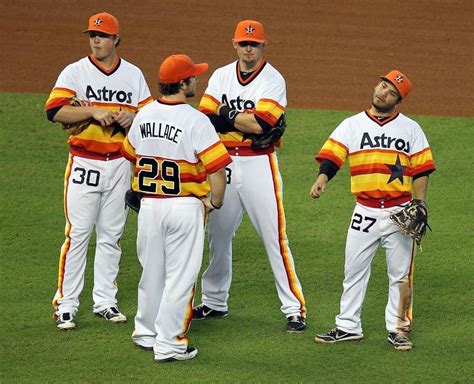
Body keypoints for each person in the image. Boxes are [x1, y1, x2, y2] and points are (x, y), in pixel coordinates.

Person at [310, 70, 436, 350]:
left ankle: (399, 329)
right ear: (376, 86)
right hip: (364, 211)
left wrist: (420, 201)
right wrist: (322, 179)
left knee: (400, 275)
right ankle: (347, 326)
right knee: (353, 270)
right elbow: (333, 157)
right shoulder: (351, 125)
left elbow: (422, 168)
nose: (383, 93)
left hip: (399, 212)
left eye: (391, 92)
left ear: (398, 101)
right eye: (383, 86)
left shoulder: (411, 128)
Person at [194, 20, 306, 332]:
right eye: (243, 43)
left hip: (259, 165)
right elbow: (205, 117)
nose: (248, 48)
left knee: (274, 237)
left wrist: (225, 116)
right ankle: (214, 301)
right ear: (234, 44)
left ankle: (294, 309)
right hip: (224, 164)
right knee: (218, 235)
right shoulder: (220, 75)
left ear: (262, 45)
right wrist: (238, 119)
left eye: (253, 44)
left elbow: (261, 126)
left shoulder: (273, 79)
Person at [45, 12, 153, 330]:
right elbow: (53, 111)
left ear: (116, 40)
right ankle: (66, 305)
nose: (96, 40)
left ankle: (105, 301)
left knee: (111, 236)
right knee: (77, 234)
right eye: (92, 34)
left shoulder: (132, 75)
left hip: (120, 164)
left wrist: (133, 119)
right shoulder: (75, 72)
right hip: (85, 163)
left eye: (103, 35)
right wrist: (92, 110)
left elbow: (149, 115)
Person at [121, 54, 232, 363]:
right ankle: (170, 343)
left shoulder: (142, 115)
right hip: (184, 207)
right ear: (182, 84)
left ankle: (145, 332)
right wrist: (215, 202)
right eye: (193, 77)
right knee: (181, 278)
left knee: (152, 272)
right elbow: (217, 169)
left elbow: (130, 154)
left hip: (150, 207)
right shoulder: (196, 120)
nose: (197, 81)